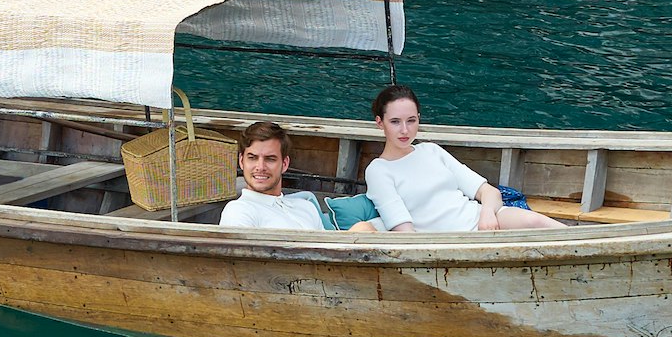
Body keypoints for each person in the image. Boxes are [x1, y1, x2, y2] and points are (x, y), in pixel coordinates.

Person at [364, 84, 565, 232]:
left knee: (536, 222)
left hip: (482, 221)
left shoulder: (431, 151)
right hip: (447, 240)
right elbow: (404, 231)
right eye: (395, 122)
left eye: (411, 120)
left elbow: (489, 192)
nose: (405, 130)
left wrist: (487, 214)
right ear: (380, 123)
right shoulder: (379, 170)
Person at [219, 121, 378, 233]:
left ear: (285, 164)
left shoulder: (305, 207)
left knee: (365, 228)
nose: (260, 167)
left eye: (270, 159)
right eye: (252, 158)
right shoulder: (239, 211)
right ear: (241, 161)